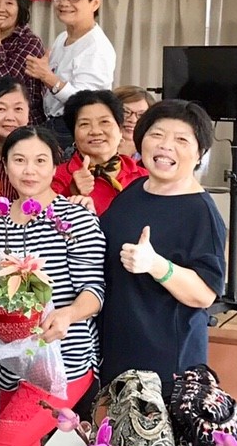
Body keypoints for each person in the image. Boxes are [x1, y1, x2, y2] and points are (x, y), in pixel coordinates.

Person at [0, 126, 106, 446]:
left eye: (39, 161)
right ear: (5, 165)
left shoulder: (75, 218)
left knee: (4, 445)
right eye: (19, 160)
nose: (29, 170)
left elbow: (94, 291)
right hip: (14, 359)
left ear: (55, 166)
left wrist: (66, 314)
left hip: (64, 362)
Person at [99, 100, 226, 401]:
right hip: (118, 345)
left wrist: (157, 265)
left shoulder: (200, 212)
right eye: (157, 134)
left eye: (181, 139)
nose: (166, 146)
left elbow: (205, 294)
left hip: (165, 363)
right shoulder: (133, 191)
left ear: (199, 154)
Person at [27, 0, 116, 146]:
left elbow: (86, 103)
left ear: (95, 3)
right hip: (51, 121)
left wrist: (47, 77)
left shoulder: (97, 47)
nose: (64, 3)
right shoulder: (62, 37)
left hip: (72, 127)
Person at [52, 90, 147, 216]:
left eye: (104, 122)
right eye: (84, 124)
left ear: (120, 130)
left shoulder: (145, 177)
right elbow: (40, 219)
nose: (95, 131)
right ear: (73, 134)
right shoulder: (55, 177)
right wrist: (70, 192)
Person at [0, 0, 47, 125]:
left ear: (21, 8)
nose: (0, 9)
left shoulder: (30, 42)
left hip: (23, 127)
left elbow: (8, 89)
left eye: (9, 3)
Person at [113, 86, 156, 159]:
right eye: (126, 112)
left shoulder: (153, 152)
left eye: (141, 115)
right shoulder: (96, 148)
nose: (133, 120)